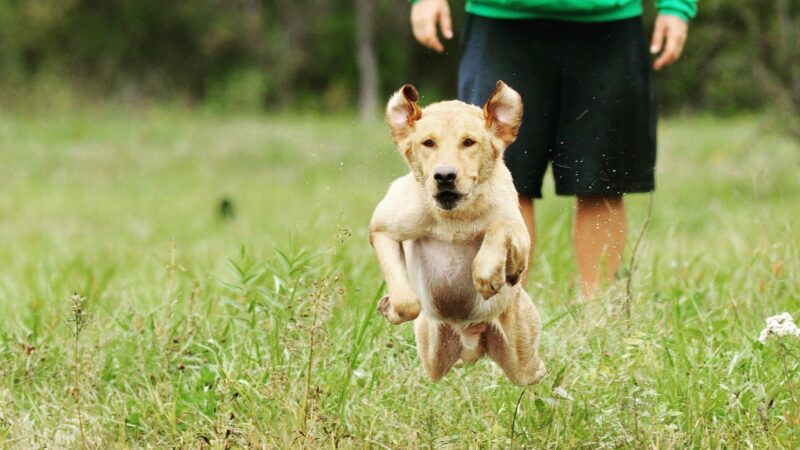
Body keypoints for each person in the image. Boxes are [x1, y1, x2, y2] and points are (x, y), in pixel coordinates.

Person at [409, 0, 696, 297]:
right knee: (497, 175)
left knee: (602, 179)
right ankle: (505, 311)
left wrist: (676, 6)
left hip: (609, 21)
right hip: (498, 21)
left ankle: (599, 316)